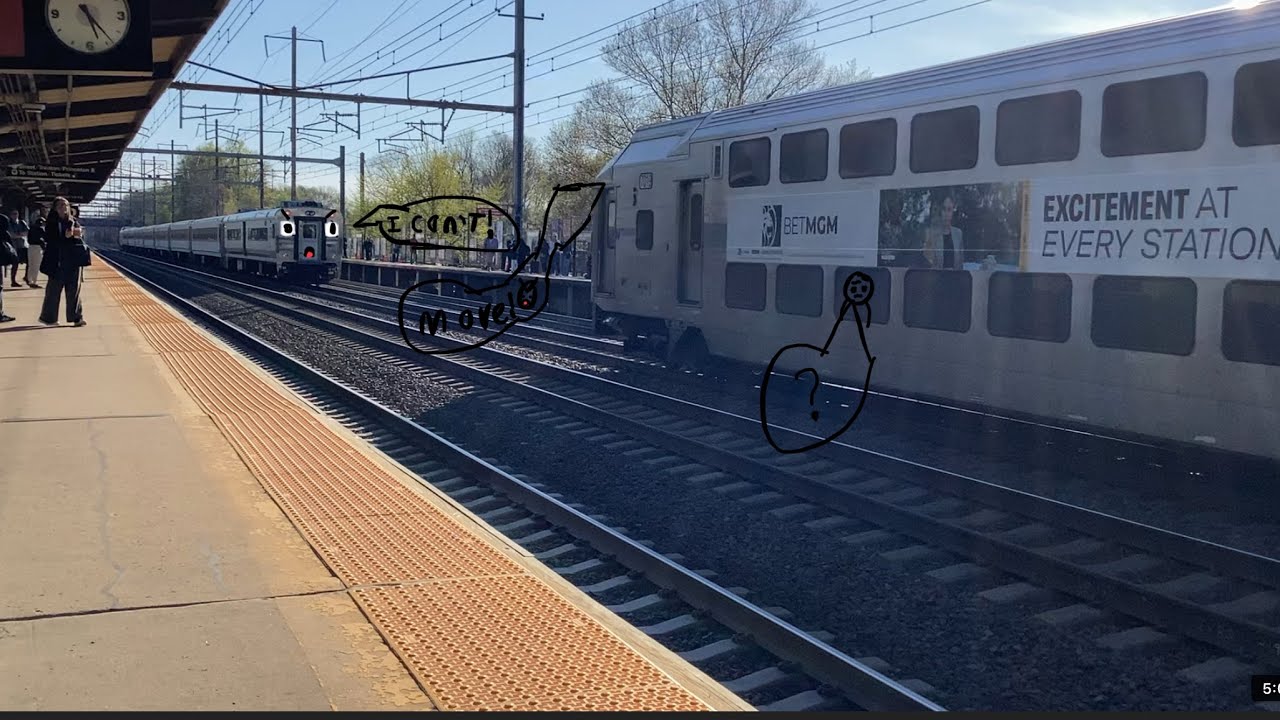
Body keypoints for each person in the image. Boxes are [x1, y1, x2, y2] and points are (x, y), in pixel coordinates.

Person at [38, 196, 88, 327]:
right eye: (60, 205)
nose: (64, 207)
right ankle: (49, 318)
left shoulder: (74, 222)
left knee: (74, 290)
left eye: (65, 205)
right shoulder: (51, 223)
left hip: (73, 260)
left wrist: (78, 234)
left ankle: (76, 318)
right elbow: (48, 238)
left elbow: (79, 238)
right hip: (57, 260)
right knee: (53, 291)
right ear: (55, 208)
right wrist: (63, 237)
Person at [922, 195, 965, 270]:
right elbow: (927, 262)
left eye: (949, 210)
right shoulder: (930, 233)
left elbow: (960, 264)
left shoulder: (958, 233)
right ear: (939, 211)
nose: (946, 214)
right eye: (943, 209)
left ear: (952, 212)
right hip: (936, 279)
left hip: (955, 278)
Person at [8, 208, 29, 288]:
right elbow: (11, 235)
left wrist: (18, 235)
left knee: (28, 262)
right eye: (13, 214)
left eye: (16, 214)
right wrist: (20, 235)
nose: (15, 215)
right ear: (10, 215)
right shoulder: (9, 223)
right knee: (15, 264)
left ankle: (26, 277)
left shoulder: (22, 222)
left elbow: (27, 232)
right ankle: (13, 281)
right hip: (14, 247)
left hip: (22, 246)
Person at [25, 209, 44, 288]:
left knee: (30, 264)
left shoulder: (31, 229)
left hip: (30, 247)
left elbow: (29, 239)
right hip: (37, 247)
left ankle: (29, 280)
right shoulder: (41, 229)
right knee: (36, 265)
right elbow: (45, 238)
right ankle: (34, 281)